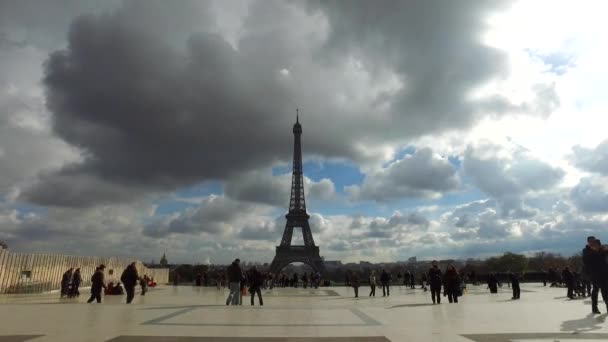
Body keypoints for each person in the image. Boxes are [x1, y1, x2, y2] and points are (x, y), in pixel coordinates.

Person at [583, 237, 608, 314]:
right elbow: (586, 260)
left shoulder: (601, 248)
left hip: (604, 272)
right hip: (594, 273)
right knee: (596, 290)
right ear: (588, 242)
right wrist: (594, 251)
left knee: (605, 289)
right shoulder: (586, 250)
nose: (592, 242)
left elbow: (605, 255)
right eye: (590, 241)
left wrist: (605, 250)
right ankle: (594, 307)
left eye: (593, 241)